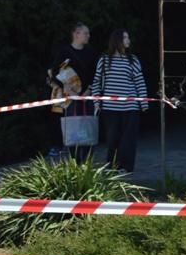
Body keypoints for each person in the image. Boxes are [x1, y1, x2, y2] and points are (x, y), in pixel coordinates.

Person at [93, 29, 148, 172]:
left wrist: (143, 103)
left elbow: (139, 82)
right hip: (110, 108)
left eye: (128, 37)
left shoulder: (133, 60)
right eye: (125, 38)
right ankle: (111, 166)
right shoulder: (104, 60)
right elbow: (97, 82)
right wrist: (96, 103)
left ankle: (126, 167)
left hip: (130, 107)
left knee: (128, 140)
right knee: (112, 140)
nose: (128, 40)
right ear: (117, 40)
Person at [48, 22, 99, 161]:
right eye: (85, 33)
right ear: (76, 34)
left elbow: (96, 74)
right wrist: (66, 88)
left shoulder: (91, 52)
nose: (88, 36)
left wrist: (89, 90)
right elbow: (54, 72)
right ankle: (74, 162)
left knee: (88, 125)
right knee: (72, 128)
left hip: (87, 96)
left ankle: (88, 162)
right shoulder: (64, 52)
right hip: (70, 98)